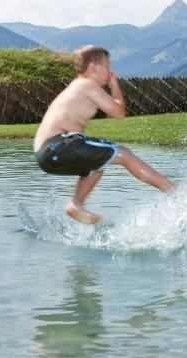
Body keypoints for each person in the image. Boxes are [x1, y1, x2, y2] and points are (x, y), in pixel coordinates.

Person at [33, 45, 176, 224]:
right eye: (107, 66)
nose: (110, 71)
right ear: (94, 67)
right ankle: (174, 191)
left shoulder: (77, 86)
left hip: (46, 155)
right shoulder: (87, 85)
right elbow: (118, 112)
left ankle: (76, 204)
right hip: (59, 145)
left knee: (95, 169)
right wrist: (114, 86)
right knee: (123, 153)